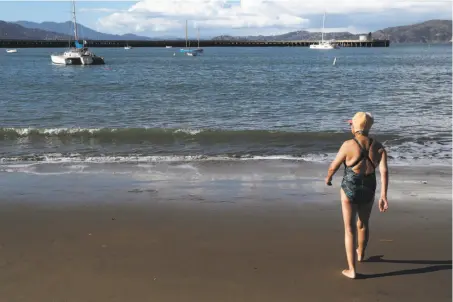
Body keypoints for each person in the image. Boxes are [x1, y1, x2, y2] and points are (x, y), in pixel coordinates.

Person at [325, 112, 389, 279]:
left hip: (350, 188)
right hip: (369, 187)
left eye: (351, 124)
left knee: (349, 229)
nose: (350, 127)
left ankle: (352, 270)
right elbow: (384, 171)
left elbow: (333, 166)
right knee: (363, 224)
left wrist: (328, 178)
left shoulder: (348, 145)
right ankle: (361, 254)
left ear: (355, 127)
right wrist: (383, 196)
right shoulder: (378, 146)